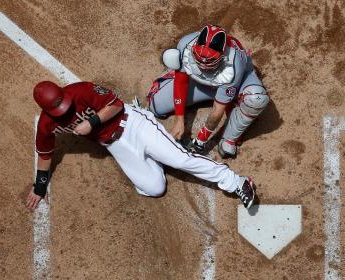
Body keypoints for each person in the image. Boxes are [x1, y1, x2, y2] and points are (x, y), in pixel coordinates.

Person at [26, 81, 256, 210]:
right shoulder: (47, 124)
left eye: (63, 103)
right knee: (155, 188)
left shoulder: (80, 91)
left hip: (134, 123)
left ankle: (236, 182)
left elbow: (115, 105)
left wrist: (92, 121)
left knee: (180, 159)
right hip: (116, 145)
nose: (64, 109)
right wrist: (39, 186)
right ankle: (158, 155)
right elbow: (44, 154)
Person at [146, 24, 270, 158]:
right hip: (202, 84)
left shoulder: (234, 63)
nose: (203, 66)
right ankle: (170, 76)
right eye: (199, 60)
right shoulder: (185, 44)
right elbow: (181, 82)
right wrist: (179, 120)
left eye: (209, 62)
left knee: (256, 98)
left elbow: (218, 109)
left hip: (236, 82)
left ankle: (229, 138)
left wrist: (200, 140)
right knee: (155, 106)